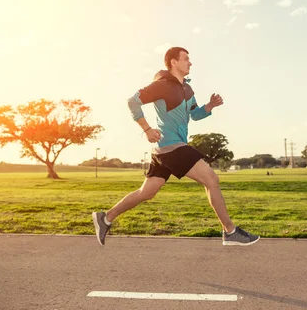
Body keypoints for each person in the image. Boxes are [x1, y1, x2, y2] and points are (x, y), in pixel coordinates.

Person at [92, 47, 259, 246]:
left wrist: (210, 106)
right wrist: (146, 129)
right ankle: (230, 231)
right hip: (172, 146)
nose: (190, 63)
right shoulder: (161, 85)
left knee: (147, 192)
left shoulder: (188, 89)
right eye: (186, 59)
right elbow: (132, 102)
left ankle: (105, 218)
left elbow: (195, 114)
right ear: (173, 62)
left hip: (166, 150)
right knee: (212, 179)